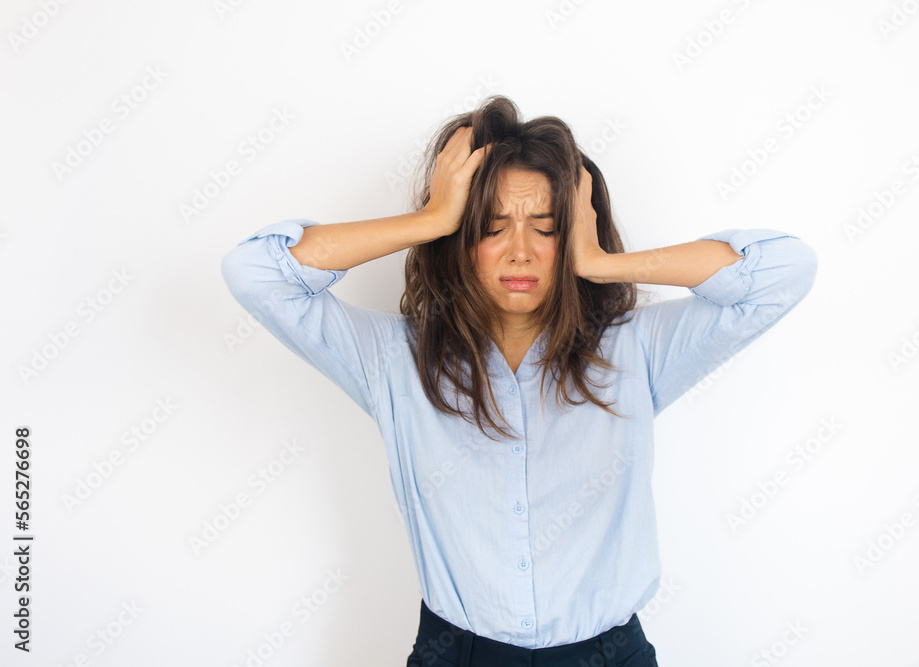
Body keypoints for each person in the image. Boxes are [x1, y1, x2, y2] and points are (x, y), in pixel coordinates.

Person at [220, 95, 818, 667]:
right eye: (492, 226)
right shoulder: (393, 358)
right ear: (461, 239)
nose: (520, 252)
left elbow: (785, 270)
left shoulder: (635, 349)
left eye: (546, 227)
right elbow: (255, 272)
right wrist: (431, 218)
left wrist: (600, 263)